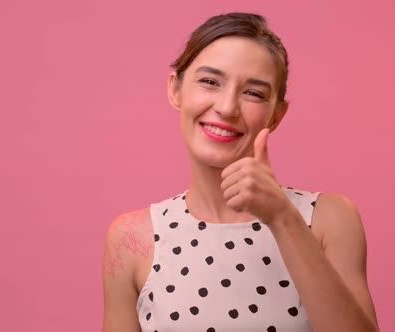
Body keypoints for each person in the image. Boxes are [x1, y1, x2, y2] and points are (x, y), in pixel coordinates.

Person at [102, 12, 379, 332]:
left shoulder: (330, 219)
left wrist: (282, 217)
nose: (228, 107)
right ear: (175, 89)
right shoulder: (130, 239)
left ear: (277, 114)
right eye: (209, 82)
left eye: (254, 93)